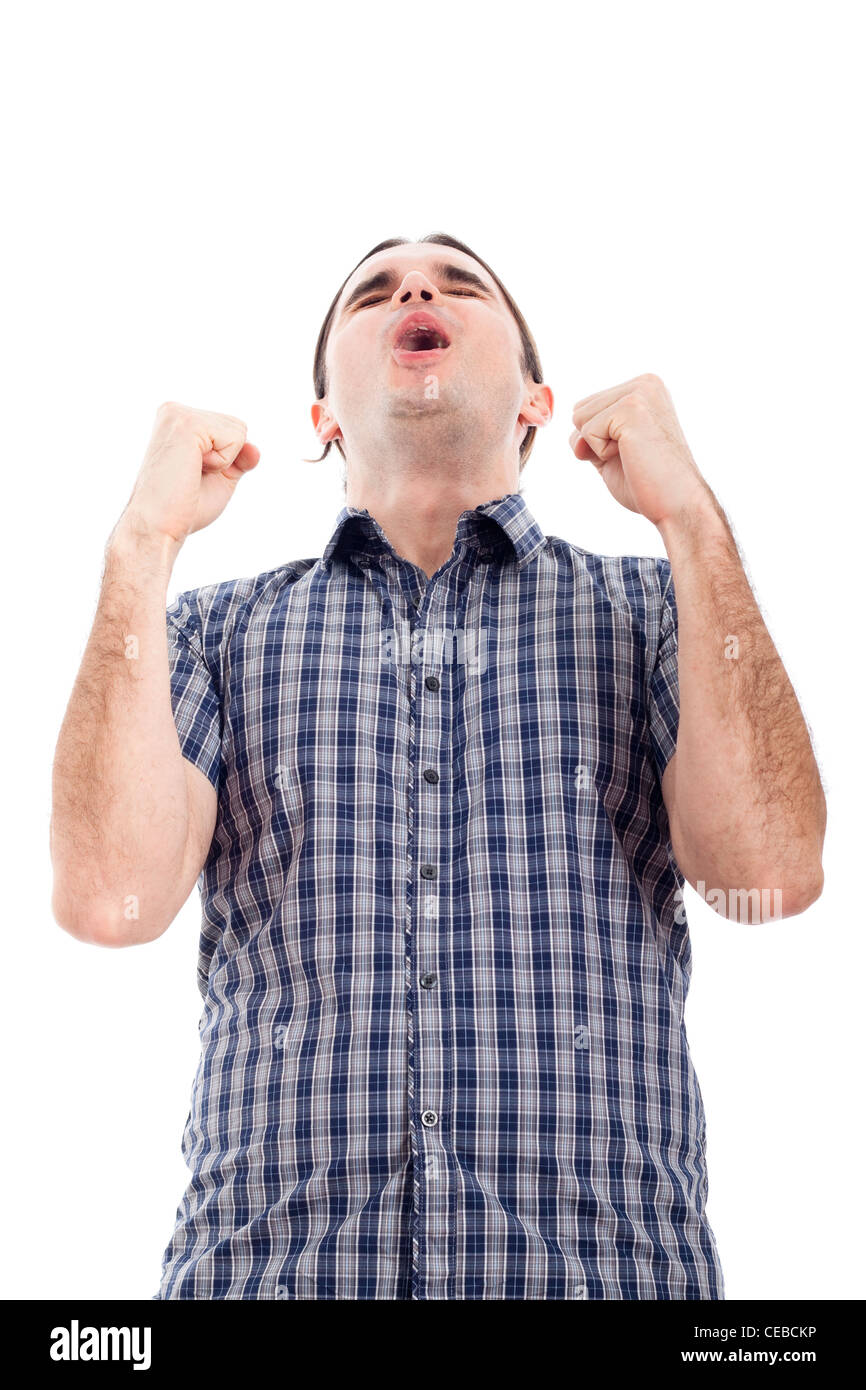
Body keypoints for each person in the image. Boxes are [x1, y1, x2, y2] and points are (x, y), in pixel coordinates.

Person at [50, 232, 826, 1301]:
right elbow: (106, 899)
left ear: (534, 403)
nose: (415, 287)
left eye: (459, 282)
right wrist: (139, 543)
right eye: (374, 292)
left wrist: (688, 516)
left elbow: (771, 870)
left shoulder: (655, 610)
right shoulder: (208, 634)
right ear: (322, 419)